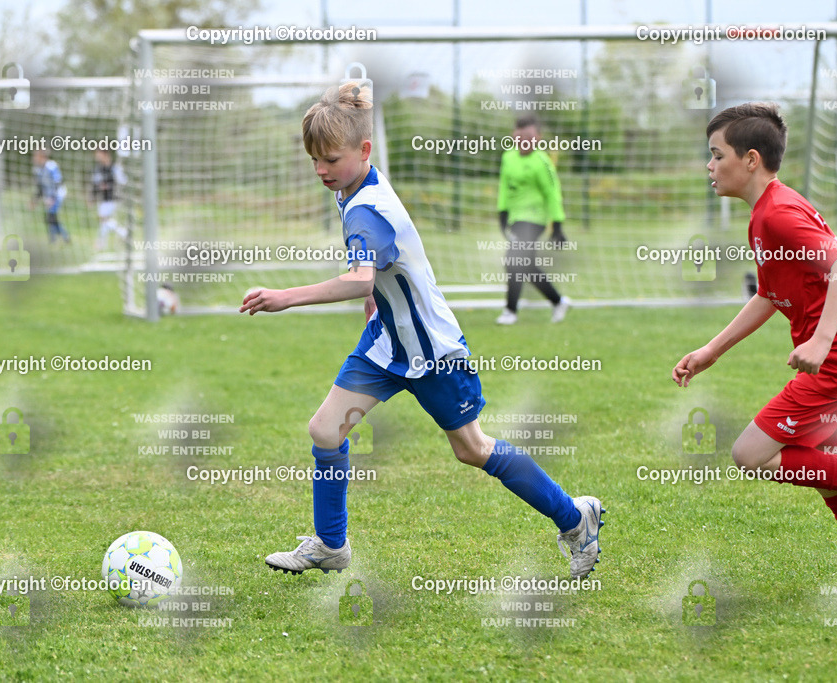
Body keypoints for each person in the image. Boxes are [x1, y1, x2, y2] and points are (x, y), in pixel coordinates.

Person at [240, 83, 603, 578]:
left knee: (472, 449)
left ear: (363, 151)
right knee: (326, 430)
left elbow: (361, 275)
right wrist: (375, 304)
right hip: (386, 344)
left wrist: (285, 297)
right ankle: (331, 545)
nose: (321, 171)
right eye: (314, 161)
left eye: (330, 159)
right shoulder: (353, 188)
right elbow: (378, 272)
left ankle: (574, 517)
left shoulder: (367, 209)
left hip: (432, 352)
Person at [672, 102, 837, 591]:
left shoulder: (780, 215)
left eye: (715, 154)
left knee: (751, 454)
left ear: (749, 159)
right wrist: (710, 351)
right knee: (828, 477)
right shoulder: (766, 213)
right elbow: (768, 295)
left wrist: (822, 339)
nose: (709, 165)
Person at [495, 114, 571, 325]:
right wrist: (502, 213)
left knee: (514, 260)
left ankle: (510, 311)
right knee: (524, 264)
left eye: (528, 135)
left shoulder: (542, 162)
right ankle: (558, 301)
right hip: (516, 219)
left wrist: (557, 224)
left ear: (538, 137)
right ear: (514, 135)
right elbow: (504, 187)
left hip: (535, 219)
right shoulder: (508, 158)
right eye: (519, 135)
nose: (523, 139)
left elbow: (552, 193)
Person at [91, 149, 128, 249]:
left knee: (104, 220)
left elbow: (123, 181)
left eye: (99, 154)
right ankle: (122, 233)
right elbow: (95, 184)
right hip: (103, 199)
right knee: (104, 221)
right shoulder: (98, 169)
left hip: (113, 199)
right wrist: (92, 197)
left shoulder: (114, 168)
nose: (97, 157)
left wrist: (109, 186)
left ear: (105, 154)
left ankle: (102, 242)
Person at [32, 147, 70, 243]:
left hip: (58, 194)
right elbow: (40, 188)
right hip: (49, 196)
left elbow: (58, 182)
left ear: (42, 156)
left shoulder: (51, 166)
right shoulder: (38, 170)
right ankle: (64, 238)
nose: (34, 158)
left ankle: (56, 239)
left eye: (36, 156)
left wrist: (53, 198)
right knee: (50, 218)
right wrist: (34, 201)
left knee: (51, 217)